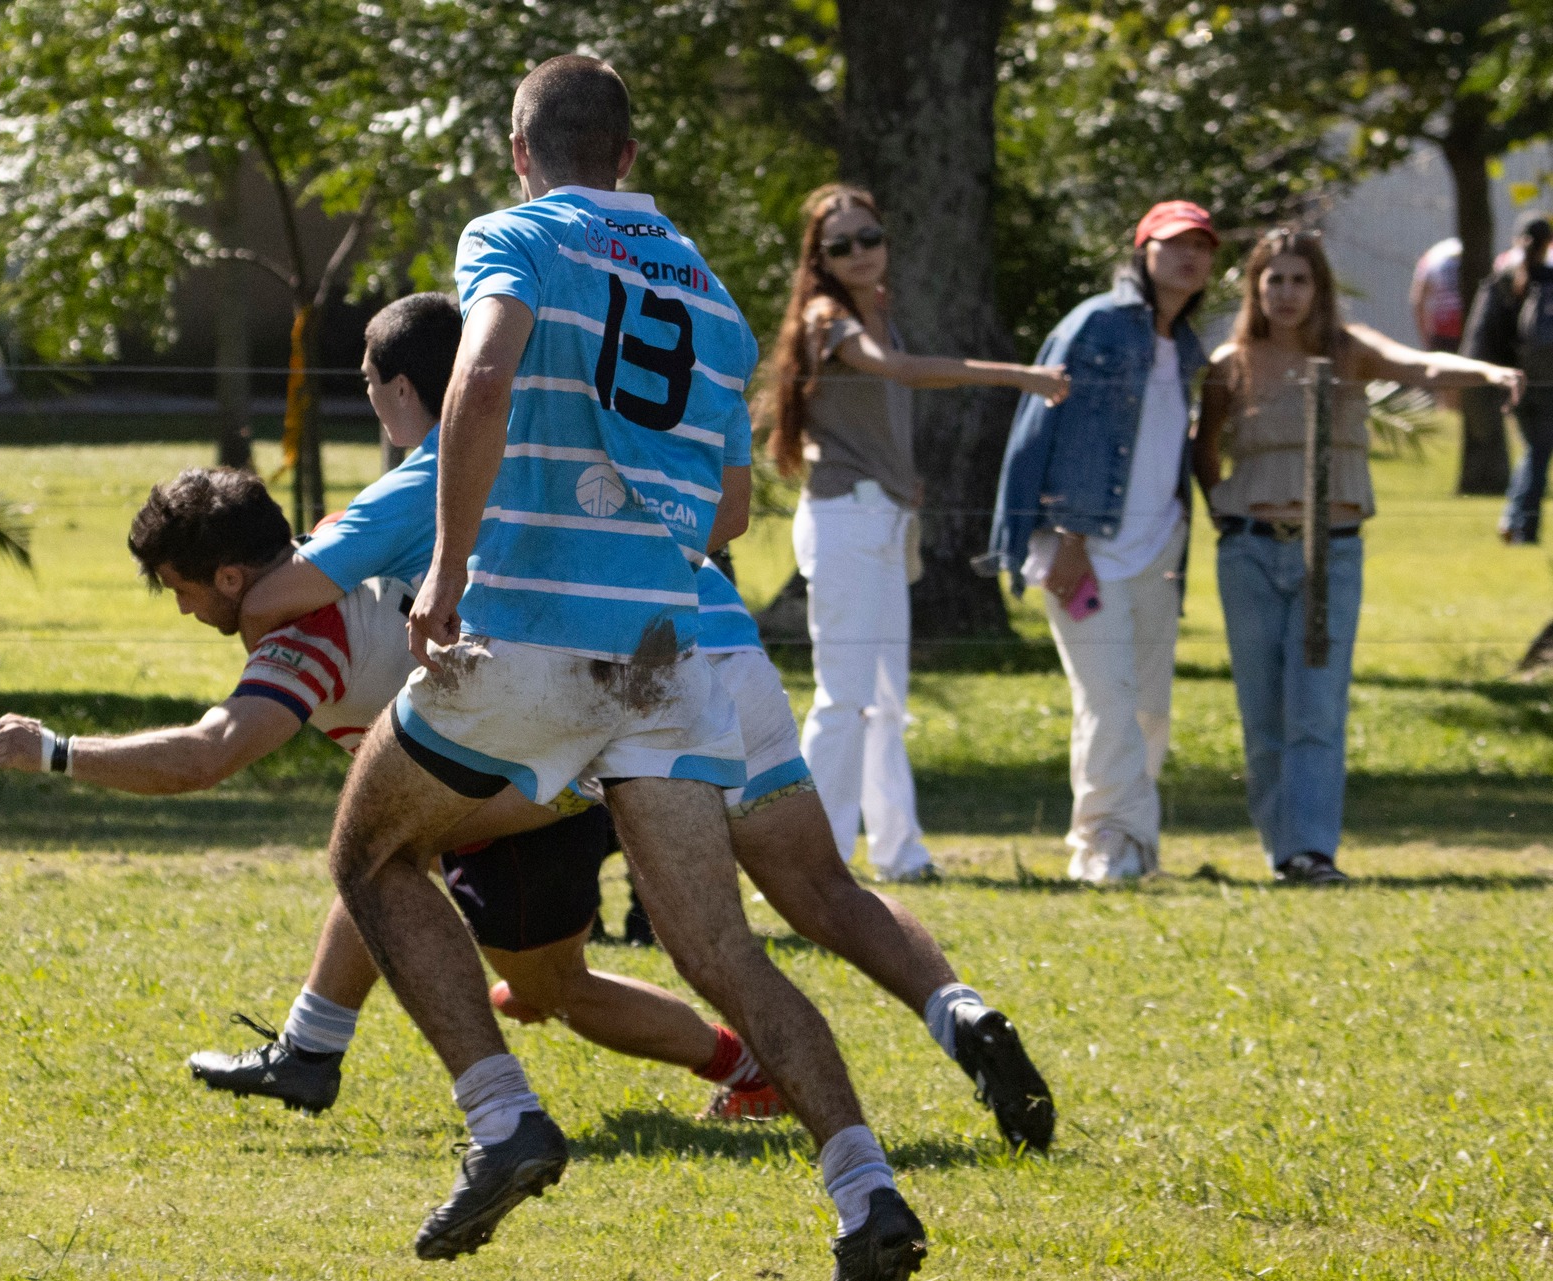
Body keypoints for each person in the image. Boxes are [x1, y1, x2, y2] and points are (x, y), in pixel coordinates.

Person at [325, 57, 926, 1281]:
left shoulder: (518, 236)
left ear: (518, 149)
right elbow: (724, 512)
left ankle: (504, 1118)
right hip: (663, 656)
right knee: (725, 951)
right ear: (630, 157)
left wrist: (441, 572)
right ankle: (865, 1190)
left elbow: (478, 377)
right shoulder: (707, 292)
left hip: (535, 632)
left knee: (370, 855)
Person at [219, 304, 1056, 1149]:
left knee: (397, 847)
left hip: (628, 680)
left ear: (400, 391)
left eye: (369, 389)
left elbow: (273, 595)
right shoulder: (597, 407)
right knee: (823, 890)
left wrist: (275, 569)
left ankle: (502, 1100)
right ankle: (960, 1010)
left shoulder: (436, 470)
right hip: (726, 641)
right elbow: (728, 513)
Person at [0, 296, 787, 1119]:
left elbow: (208, 751)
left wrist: (56, 750)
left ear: (229, 578)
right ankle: (312, 1050)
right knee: (397, 858)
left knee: (522, 961)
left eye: (183, 592)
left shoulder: (304, 632)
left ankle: (740, 1068)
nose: (186, 612)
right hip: (529, 760)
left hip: (534, 789)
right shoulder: (337, 542)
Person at [1194, 230, 1523, 883]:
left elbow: (1421, 367)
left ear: (1319, 288)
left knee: (1316, 706)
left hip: (1331, 554)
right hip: (1252, 552)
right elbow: (1203, 449)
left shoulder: (1349, 350)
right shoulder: (1232, 362)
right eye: (1274, 280)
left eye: (1299, 280)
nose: (1286, 294)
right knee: (1264, 713)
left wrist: (1487, 371)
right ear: (1256, 288)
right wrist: (1221, 511)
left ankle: (1311, 850)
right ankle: (1281, 847)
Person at [763, 183, 1069, 880]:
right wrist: (1018, 376)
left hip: (882, 515)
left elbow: (879, 403)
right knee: (844, 697)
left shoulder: (878, 314)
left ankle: (900, 854)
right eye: (841, 244)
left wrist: (905, 479)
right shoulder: (826, 316)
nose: (860, 252)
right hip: (843, 518)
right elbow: (897, 373)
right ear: (820, 257)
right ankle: (811, 861)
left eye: (869, 237)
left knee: (886, 699)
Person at [988, 200, 1217, 883]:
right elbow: (1041, 432)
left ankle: (1135, 847)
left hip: (1159, 551)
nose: (1190, 257)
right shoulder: (1095, 325)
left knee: (1149, 706)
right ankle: (1103, 844)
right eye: (1174, 244)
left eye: (1202, 247)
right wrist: (1065, 534)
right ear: (1143, 250)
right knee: (1108, 700)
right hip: (1084, 550)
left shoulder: (1189, 345)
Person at [1464, 213, 1553, 544]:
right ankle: (1522, 527)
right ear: (1548, 244)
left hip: (1513, 382)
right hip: (1546, 386)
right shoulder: (1548, 281)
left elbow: (1486, 336)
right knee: (1538, 455)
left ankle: (1514, 518)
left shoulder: (1502, 281)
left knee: (1533, 451)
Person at [1410, 236, 1464, 354]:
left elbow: (1417, 300)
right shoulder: (1473, 255)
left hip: (1441, 332)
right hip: (1468, 329)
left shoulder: (1430, 258)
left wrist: (1425, 339)